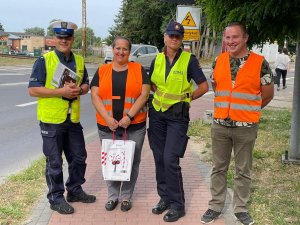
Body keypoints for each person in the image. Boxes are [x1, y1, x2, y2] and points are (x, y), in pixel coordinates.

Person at [200, 22, 274, 225]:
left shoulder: (260, 63)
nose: (230, 41)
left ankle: (240, 208)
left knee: (243, 169)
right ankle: (215, 206)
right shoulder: (219, 61)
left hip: (246, 127)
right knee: (218, 167)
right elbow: (218, 88)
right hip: (220, 125)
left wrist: (247, 111)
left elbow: (266, 95)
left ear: (245, 38)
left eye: (235, 37)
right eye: (227, 37)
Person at [28, 20, 96, 215]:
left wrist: (80, 90)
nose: (64, 41)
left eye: (67, 38)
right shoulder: (44, 61)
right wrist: (61, 92)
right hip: (51, 120)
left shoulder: (80, 60)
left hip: (72, 119)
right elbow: (33, 90)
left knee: (79, 157)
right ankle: (56, 198)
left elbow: (85, 84)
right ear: (54, 39)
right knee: (55, 161)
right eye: (60, 37)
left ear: (73, 39)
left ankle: (74, 190)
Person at [148, 21, 209, 222]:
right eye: (171, 35)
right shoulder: (156, 59)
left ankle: (177, 205)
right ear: (164, 37)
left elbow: (203, 86)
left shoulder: (189, 60)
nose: (174, 39)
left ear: (181, 39)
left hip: (177, 117)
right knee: (158, 158)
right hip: (157, 115)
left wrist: (187, 98)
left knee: (170, 159)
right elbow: (151, 84)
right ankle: (164, 198)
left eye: (178, 36)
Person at [90, 37, 150, 212]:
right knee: (111, 161)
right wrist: (108, 119)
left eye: (125, 49)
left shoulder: (138, 70)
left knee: (132, 161)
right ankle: (112, 196)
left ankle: (126, 197)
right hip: (107, 126)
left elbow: (144, 95)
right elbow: (95, 96)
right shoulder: (102, 70)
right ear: (112, 49)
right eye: (118, 48)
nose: (121, 52)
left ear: (129, 51)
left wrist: (129, 117)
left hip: (134, 125)